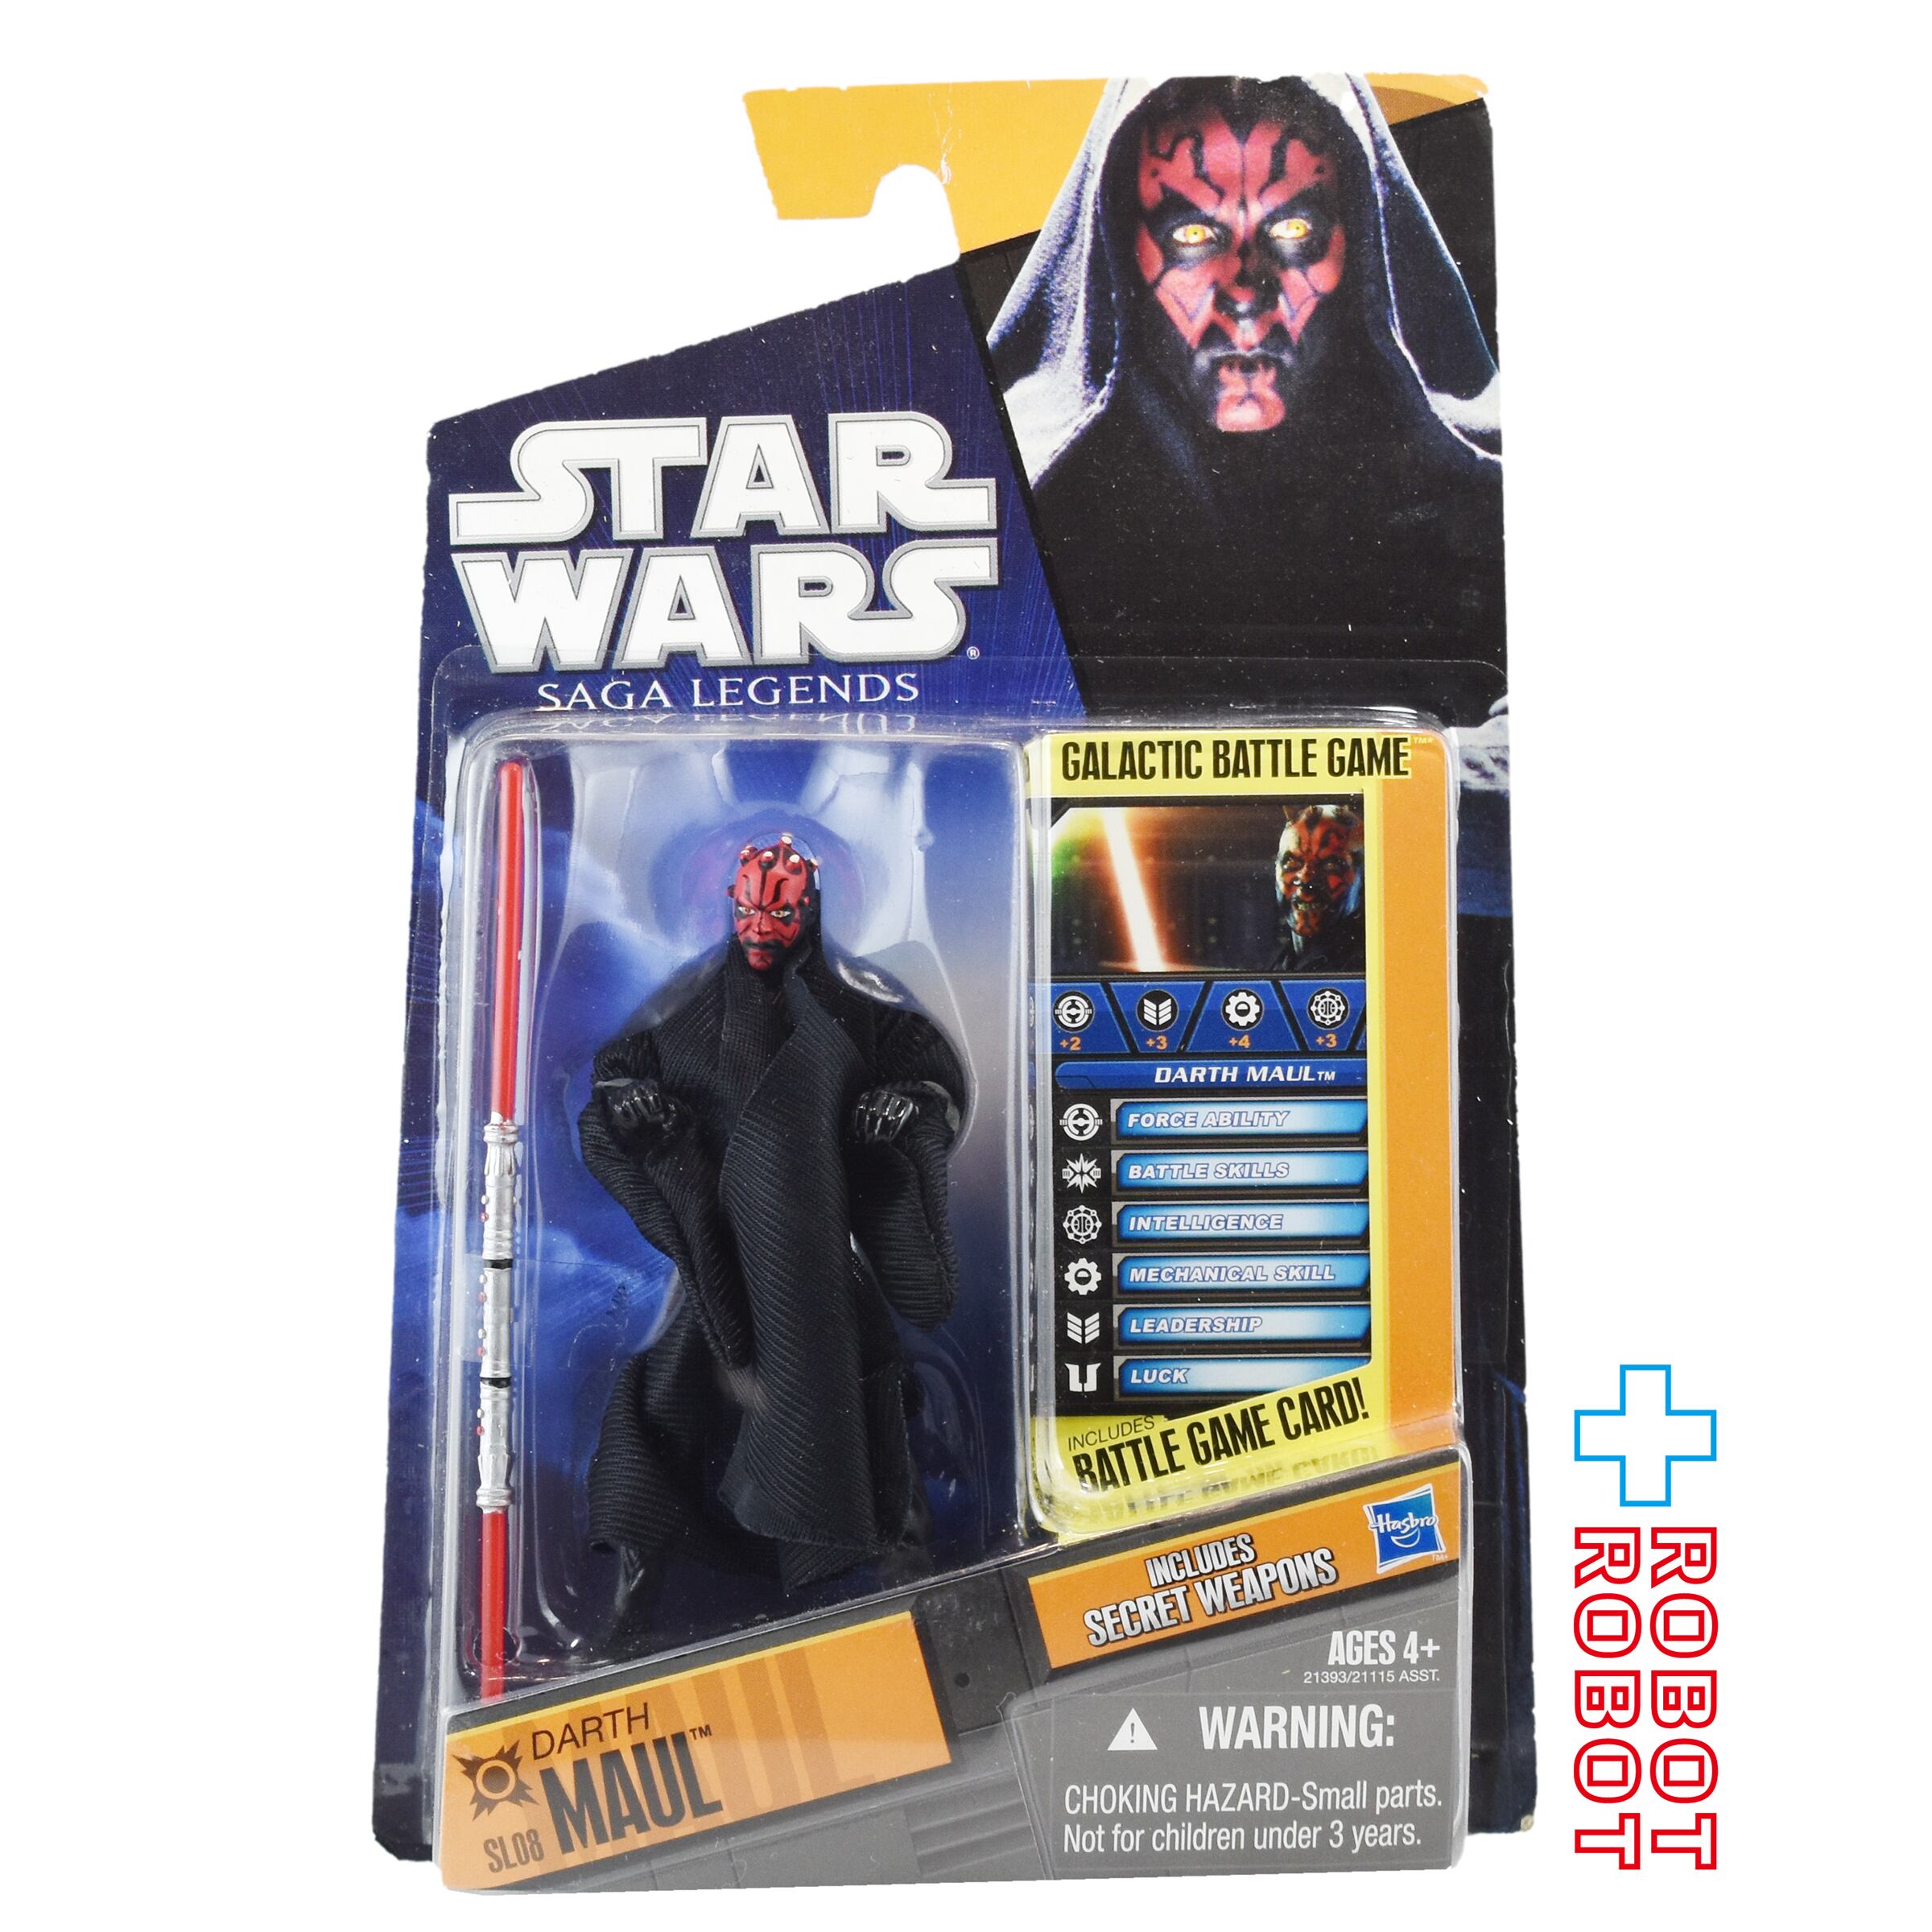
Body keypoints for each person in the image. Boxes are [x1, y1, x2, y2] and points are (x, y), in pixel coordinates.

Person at [579, 833, 964, 1635]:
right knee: (661, 1411)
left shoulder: (856, 1005)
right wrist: (633, 1108)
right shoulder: (688, 1008)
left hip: (820, 1251)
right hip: (719, 1248)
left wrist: (906, 1109)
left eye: (778, 915)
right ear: (731, 906)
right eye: (749, 911)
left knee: (874, 1413)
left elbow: (931, 1075)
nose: (760, 929)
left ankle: (915, 1580)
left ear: (809, 911)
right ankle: (628, 1606)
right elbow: (618, 1071)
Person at [990, 75, 1504, 676]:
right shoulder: (1012, 527)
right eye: (1192, 234)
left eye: (1293, 230)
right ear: (1121, 253)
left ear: (1361, 243)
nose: (1244, 292)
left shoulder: (1486, 520)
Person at [1272, 803, 1365, 973]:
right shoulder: (1282, 963)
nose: (1306, 878)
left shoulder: (1367, 966)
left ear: (1364, 875)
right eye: (1292, 863)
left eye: (1330, 865)